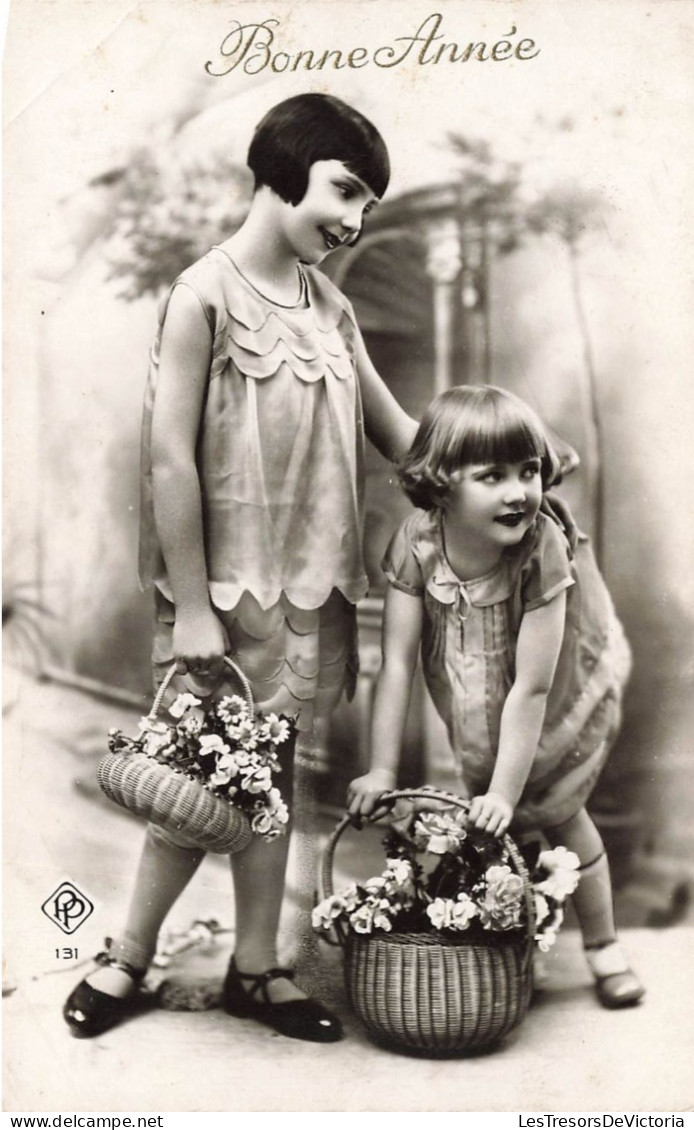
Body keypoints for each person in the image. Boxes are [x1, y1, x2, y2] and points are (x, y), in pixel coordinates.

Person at [63, 92, 417, 1043]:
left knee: (275, 775)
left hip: (310, 590)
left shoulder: (332, 307)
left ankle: (255, 969)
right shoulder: (201, 295)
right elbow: (171, 458)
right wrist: (193, 610)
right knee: (198, 777)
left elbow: (399, 436)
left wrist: (500, 457)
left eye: (368, 207)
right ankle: (128, 955)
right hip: (219, 596)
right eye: (344, 190)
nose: (351, 221)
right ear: (280, 170)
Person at [347, 384, 644, 1009]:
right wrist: (380, 767)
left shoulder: (541, 547)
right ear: (443, 483)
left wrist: (505, 793)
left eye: (529, 471)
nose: (519, 491)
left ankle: (604, 947)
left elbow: (533, 686)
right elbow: (396, 663)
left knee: (558, 811)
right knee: (483, 823)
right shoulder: (417, 543)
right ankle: (499, 947)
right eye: (493, 475)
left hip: (546, 699)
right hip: (472, 697)